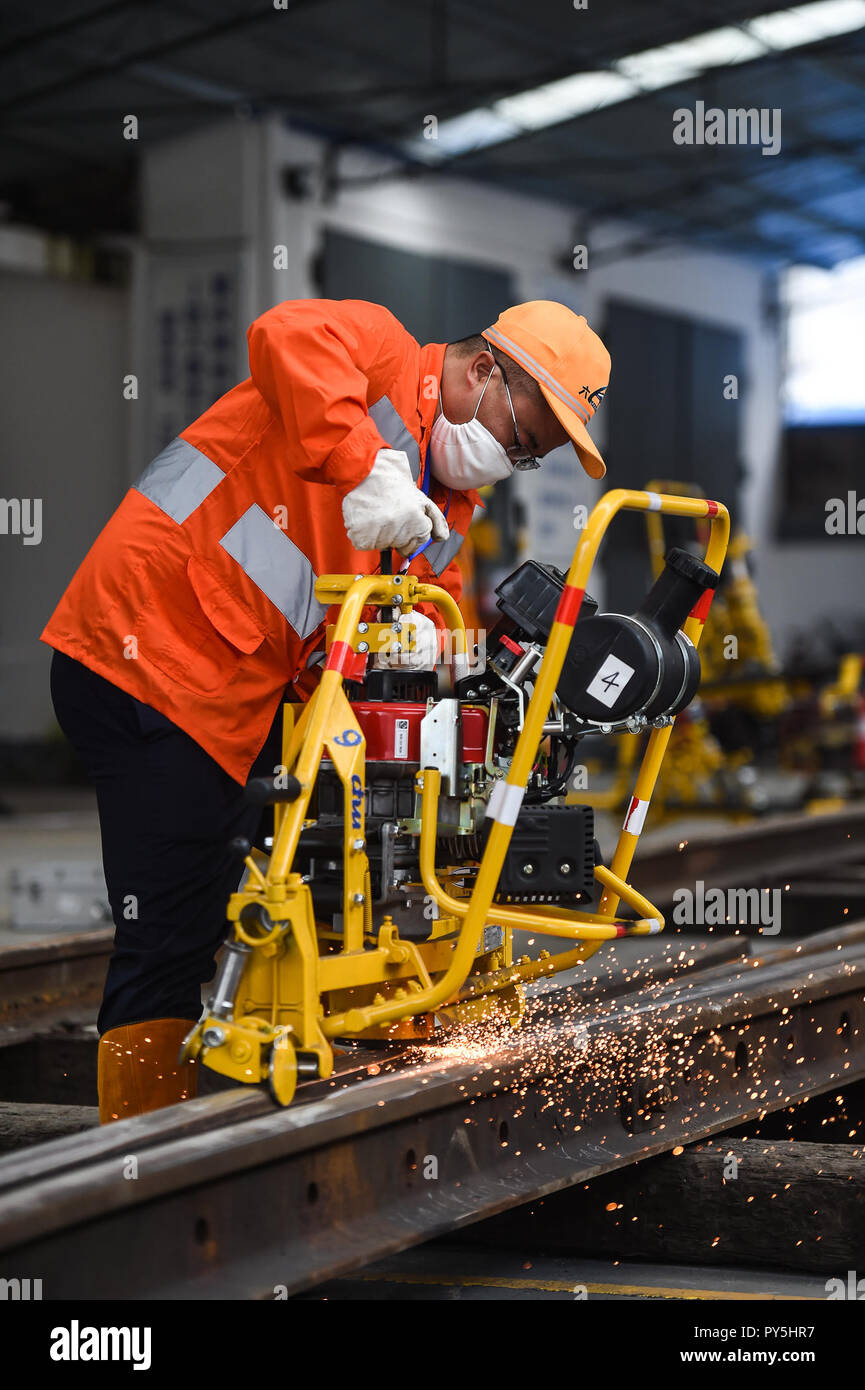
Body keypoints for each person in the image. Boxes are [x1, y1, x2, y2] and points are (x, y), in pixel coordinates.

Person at [41, 297, 610, 1122]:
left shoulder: (445, 509)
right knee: (169, 931)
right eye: (524, 438)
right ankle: (131, 1159)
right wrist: (364, 463)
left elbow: (425, 614)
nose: (513, 459)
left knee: (301, 887)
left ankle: (249, 1096)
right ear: (484, 368)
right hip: (147, 653)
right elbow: (283, 333)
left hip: (242, 693)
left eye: (531, 457)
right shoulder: (375, 352)